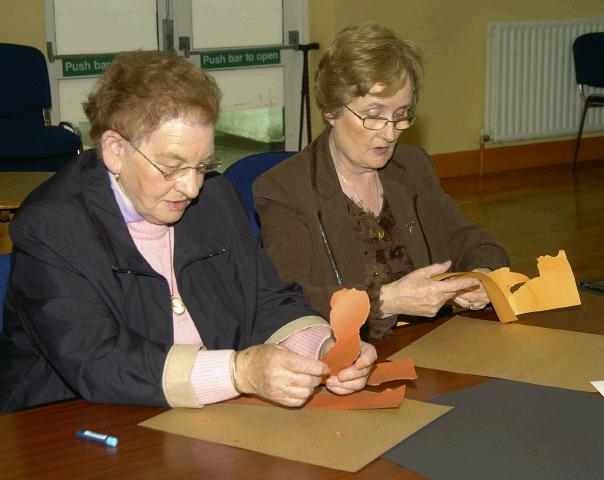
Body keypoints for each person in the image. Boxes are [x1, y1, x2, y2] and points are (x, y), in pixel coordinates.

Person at [0, 51, 376, 413]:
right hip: (70, 427)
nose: (192, 187)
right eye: (172, 166)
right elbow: (98, 359)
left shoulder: (215, 198)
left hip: (204, 419)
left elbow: (265, 299)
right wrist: (239, 371)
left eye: (203, 164)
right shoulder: (51, 226)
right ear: (115, 150)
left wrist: (322, 348)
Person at [253, 23, 509, 340]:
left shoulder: (411, 166)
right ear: (332, 110)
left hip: (432, 347)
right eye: (373, 115)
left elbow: (473, 243)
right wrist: (385, 302)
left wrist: (481, 276)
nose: (389, 133)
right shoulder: (285, 189)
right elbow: (286, 300)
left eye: (401, 114)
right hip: (345, 358)